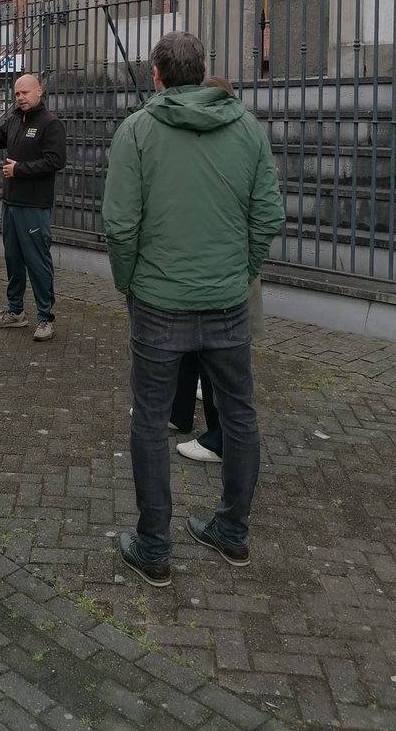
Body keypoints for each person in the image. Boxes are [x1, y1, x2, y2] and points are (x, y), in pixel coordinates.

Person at [103, 31, 284, 586]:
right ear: (203, 71)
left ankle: (154, 546)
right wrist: (242, 273)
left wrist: (129, 284)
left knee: (151, 422)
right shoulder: (248, 127)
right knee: (239, 414)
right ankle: (232, 532)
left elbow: (119, 224)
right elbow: (268, 216)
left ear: (156, 74)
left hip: (159, 303)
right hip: (227, 302)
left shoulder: (137, 130)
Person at [172, 75, 266, 464]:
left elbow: (262, 212)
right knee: (190, 352)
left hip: (225, 269)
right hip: (216, 267)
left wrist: (245, 265)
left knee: (221, 367)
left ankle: (220, 439)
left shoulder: (239, 136)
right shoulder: (239, 133)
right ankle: (179, 414)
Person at [0, 74, 66, 341]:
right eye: (17, 93)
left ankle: (45, 317)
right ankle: (16, 311)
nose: (20, 97)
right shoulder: (14, 120)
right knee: (13, 260)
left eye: (25, 92)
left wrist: (19, 169)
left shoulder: (50, 123)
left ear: (39, 92)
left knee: (38, 262)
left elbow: (55, 161)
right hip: (11, 203)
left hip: (34, 205)